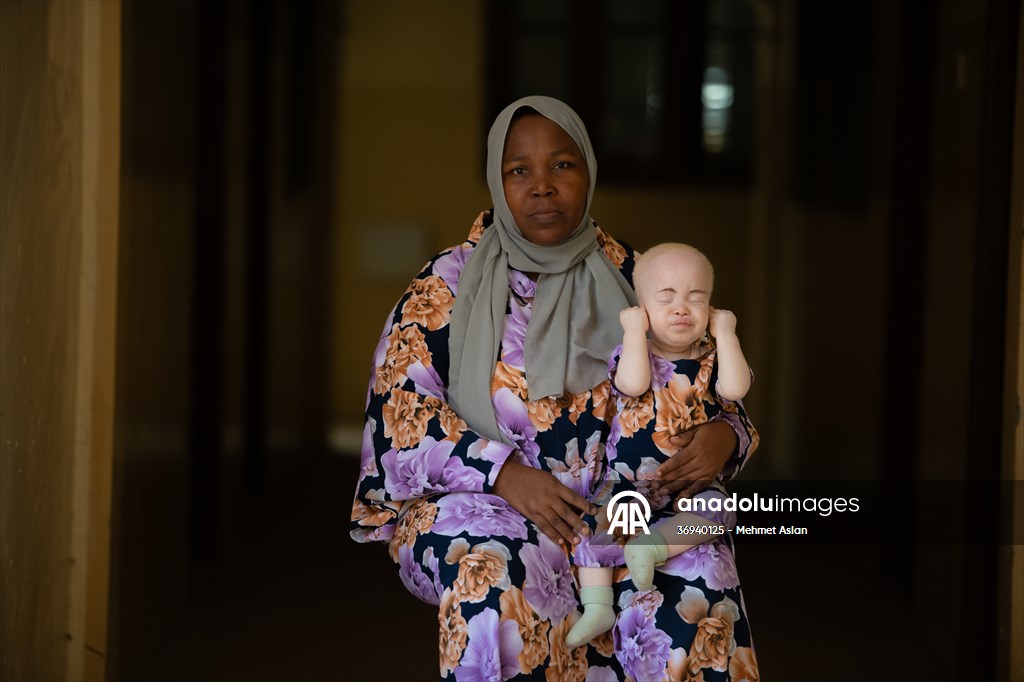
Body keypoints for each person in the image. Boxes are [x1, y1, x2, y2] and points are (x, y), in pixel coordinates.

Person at [350, 96, 760, 681]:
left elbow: (708, 384)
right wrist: (504, 474)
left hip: (620, 515)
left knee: (699, 574)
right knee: (491, 573)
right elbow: (398, 414)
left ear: (588, 173)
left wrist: (725, 435)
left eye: (562, 165)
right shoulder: (446, 286)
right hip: (484, 505)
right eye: (520, 170)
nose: (542, 186)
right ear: (498, 179)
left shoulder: (637, 278)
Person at [565, 243, 753, 649]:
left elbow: (736, 389)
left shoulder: (714, 358)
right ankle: (597, 606)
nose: (682, 308)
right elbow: (632, 385)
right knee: (596, 528)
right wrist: (634, 333)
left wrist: (726, 334)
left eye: (696, 298)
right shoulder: (635, 353)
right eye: (666, 298)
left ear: (712, 308)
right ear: (642, 308)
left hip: (692, 487)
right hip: (629, 484)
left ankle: (653, 547)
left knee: (721, 509)